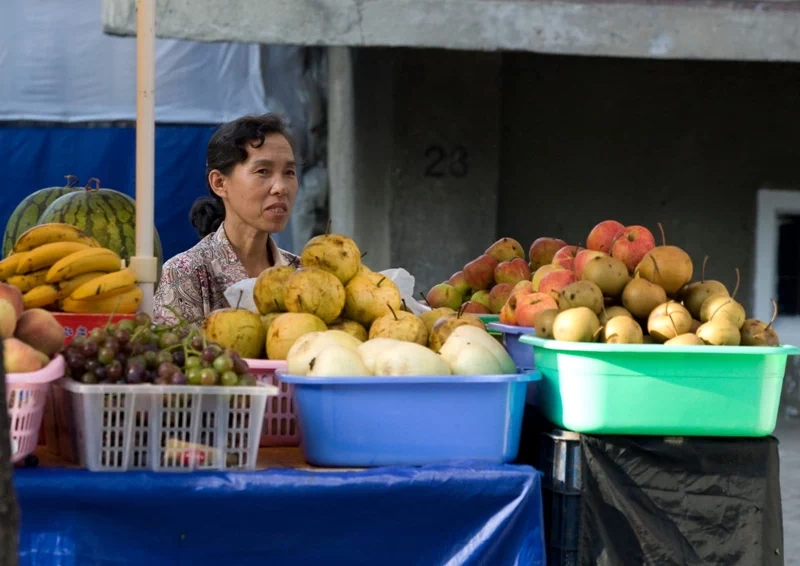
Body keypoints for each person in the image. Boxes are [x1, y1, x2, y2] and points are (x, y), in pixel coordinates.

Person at [154, 114, 301, 325]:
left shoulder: (302, 274)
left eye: (289, 172)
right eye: (263, 171)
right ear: (219, 183)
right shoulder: (185, 275)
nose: (281, 188)